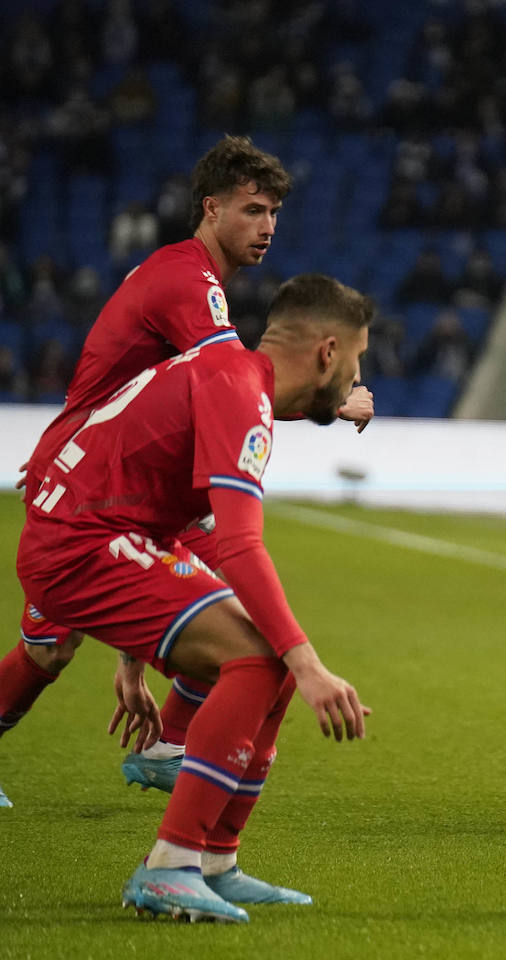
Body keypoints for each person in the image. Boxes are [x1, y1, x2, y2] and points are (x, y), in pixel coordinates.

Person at [0, 135, 373, 806]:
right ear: (210, 209)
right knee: (56, 649)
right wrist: (331, 402)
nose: (268, 228)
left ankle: (173, 744)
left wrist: (132, 656)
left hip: (114, 478)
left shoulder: (197, 281)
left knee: (231, 600)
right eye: (254, 210)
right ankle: (179, 762)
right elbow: (235, 388)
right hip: (87, 483)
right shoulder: (189, 284)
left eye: (275, 214)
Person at [17, 273, 373, 922]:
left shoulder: (231, 372)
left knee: (271, 656)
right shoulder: (240, 394)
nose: (356, 377)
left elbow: (161, 494)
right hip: (81, 543)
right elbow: (237, 546)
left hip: (95, 531)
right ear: (328, 352)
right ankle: (170, 866)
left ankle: (213, 862)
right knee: (266, 659)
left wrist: (131, 658)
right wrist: (310, 661)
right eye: (358, 359)